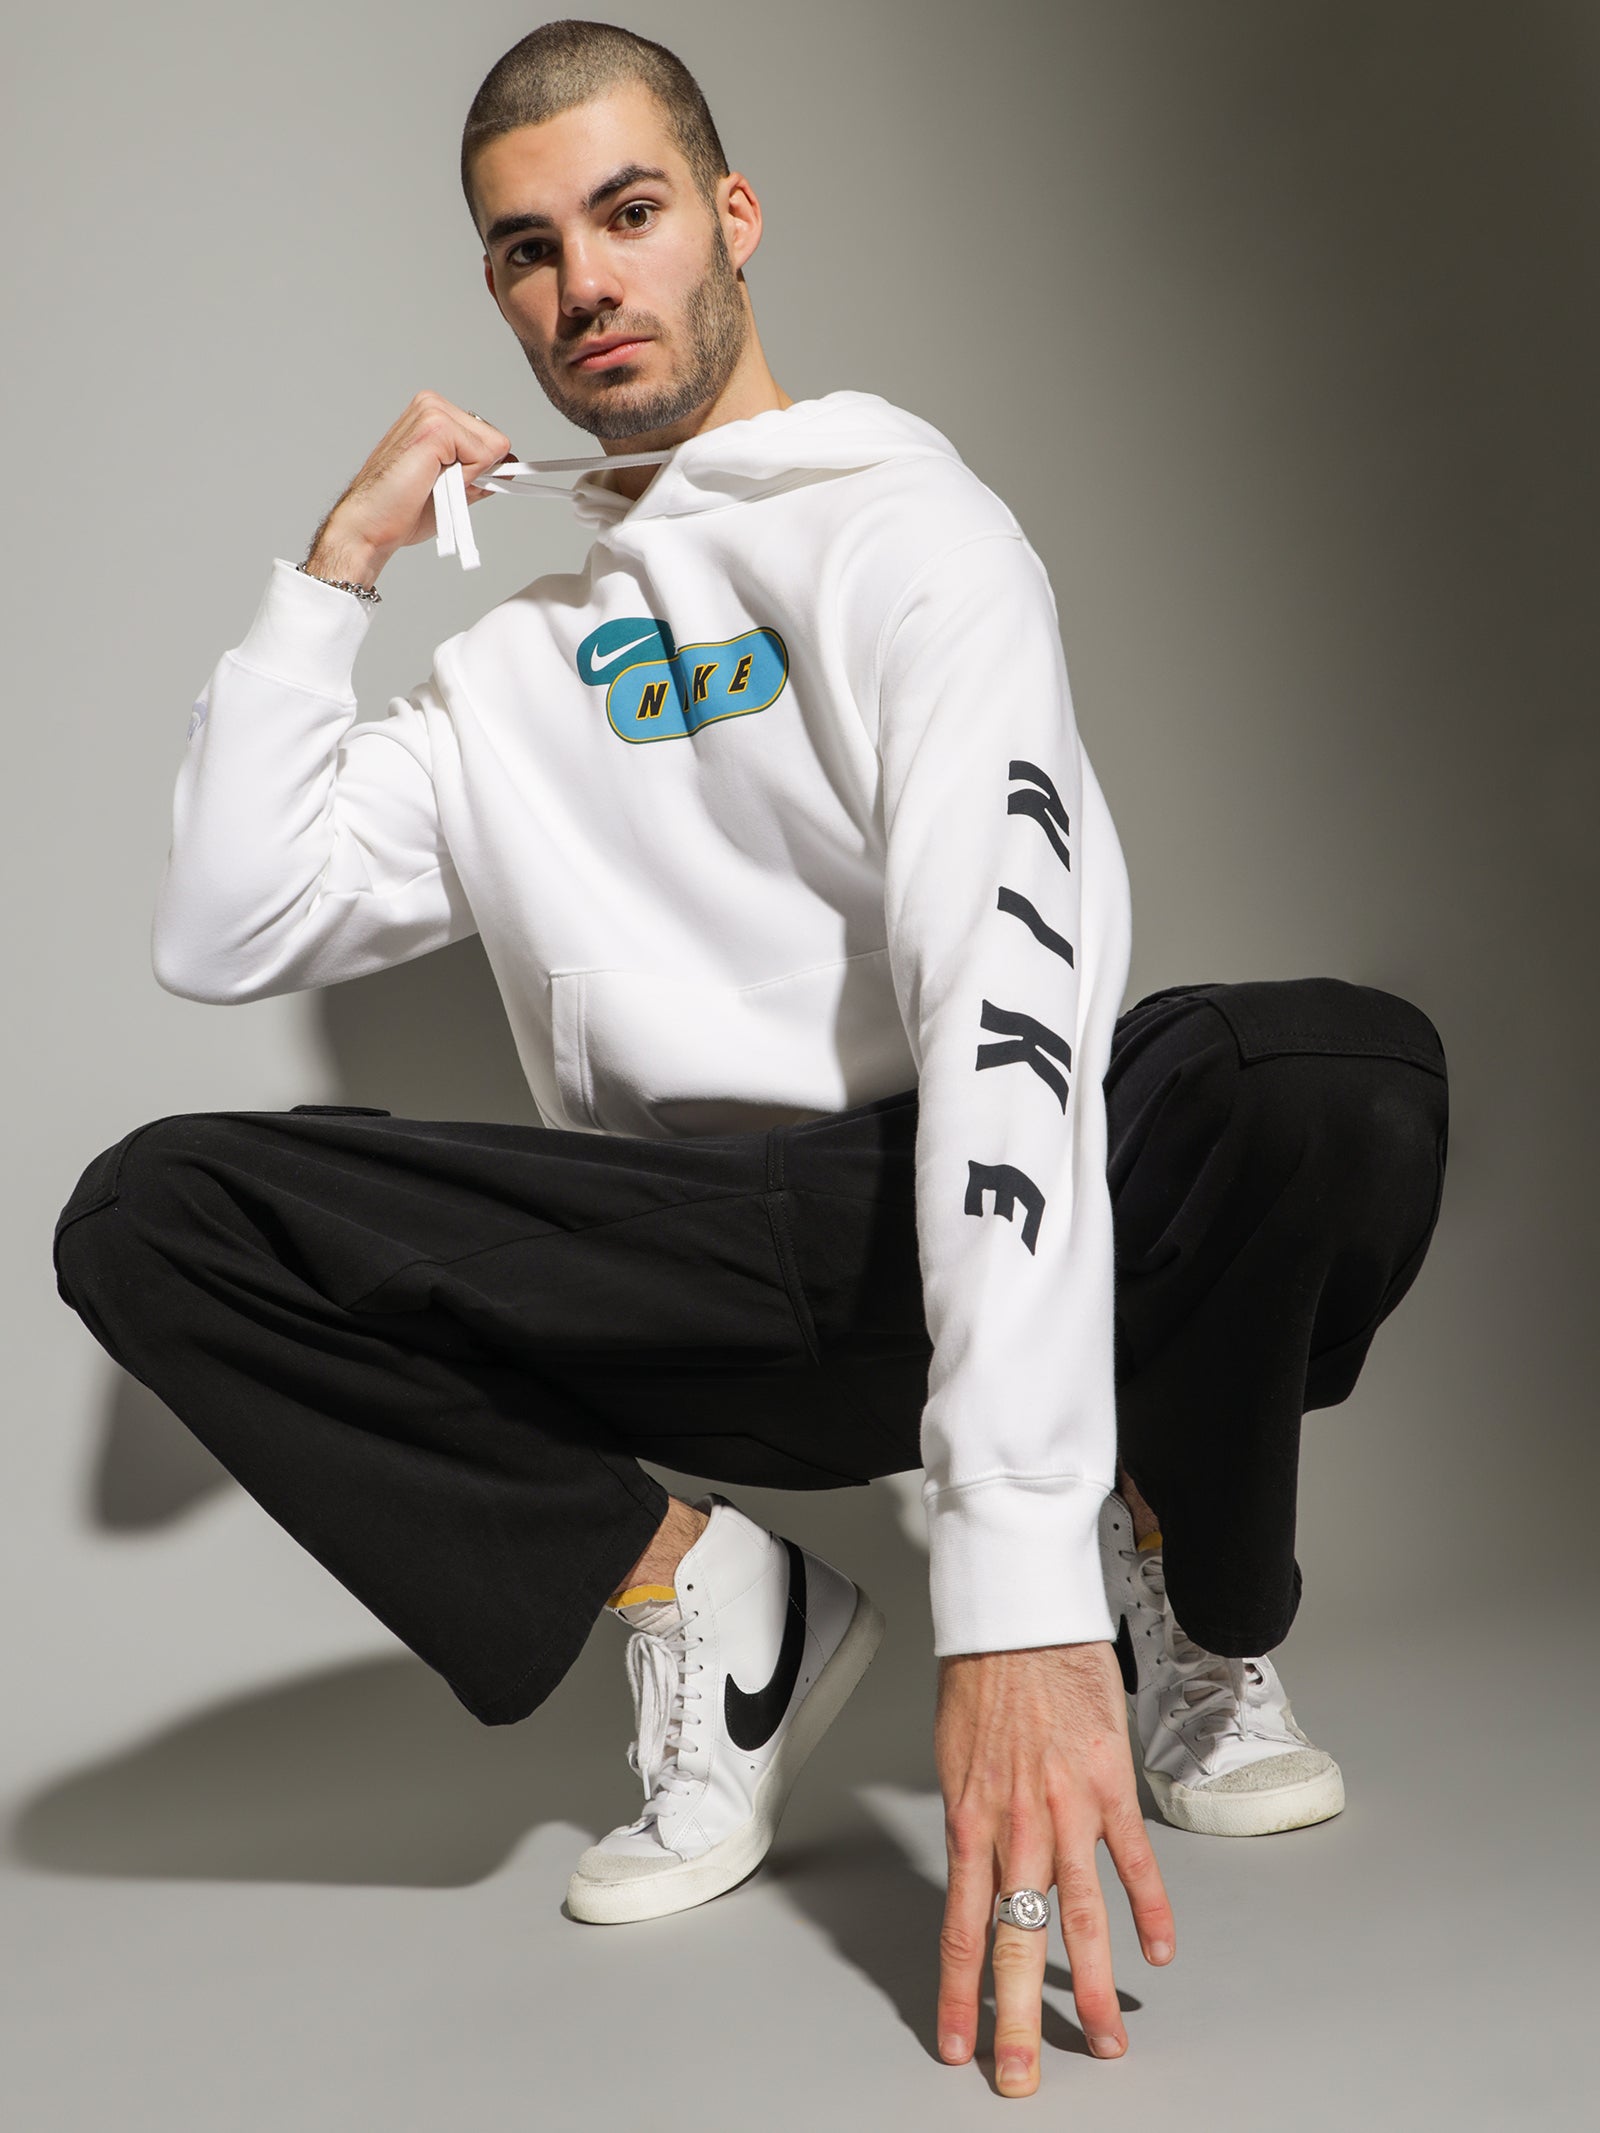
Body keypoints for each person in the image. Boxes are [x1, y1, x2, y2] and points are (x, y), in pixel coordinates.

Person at [50, 18, 1449, 2100]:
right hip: (695, 1269)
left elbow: (1003, 1004)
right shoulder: (506, 675)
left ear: (730, 217)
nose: (583, 283)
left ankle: (1183, 1596)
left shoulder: (913, 539)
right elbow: (224, 923)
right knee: (154, 1211)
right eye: (526, 250)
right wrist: (332, 571)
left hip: (975, 1201)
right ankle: (715, 1608)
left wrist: (1009, 1595)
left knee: (1325, 1077)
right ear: (496, 291)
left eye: (625, 214)